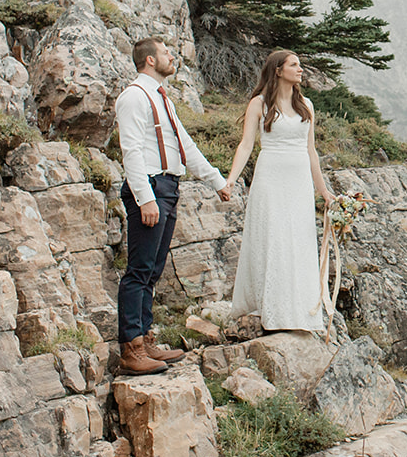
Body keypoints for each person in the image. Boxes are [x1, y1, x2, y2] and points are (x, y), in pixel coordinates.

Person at [113, 37, 229, 375]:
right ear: (149, 60)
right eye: (165, 52)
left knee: (152, 270)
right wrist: (144, 197)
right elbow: (131, 150)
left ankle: (146, 340)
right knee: (138, 270)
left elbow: (185, 146)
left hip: (168, 186)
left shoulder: (163, 99)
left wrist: (217, 181)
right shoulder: (134, 96)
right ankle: (131, 348)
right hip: (149, 186)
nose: (171, 56)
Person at [222, 50, 332, 333]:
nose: (300, 70)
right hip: (270, 175)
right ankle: (272, 306)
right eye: (294, 65)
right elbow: (246, 145)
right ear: (278, 70)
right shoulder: (259, 104)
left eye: (300, 65)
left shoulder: (306, 105)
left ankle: (299, 307)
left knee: (298, 238)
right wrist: (231, 179)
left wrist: (324, 192)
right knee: (273, 237)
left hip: (298, 181)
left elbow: (311, 151)